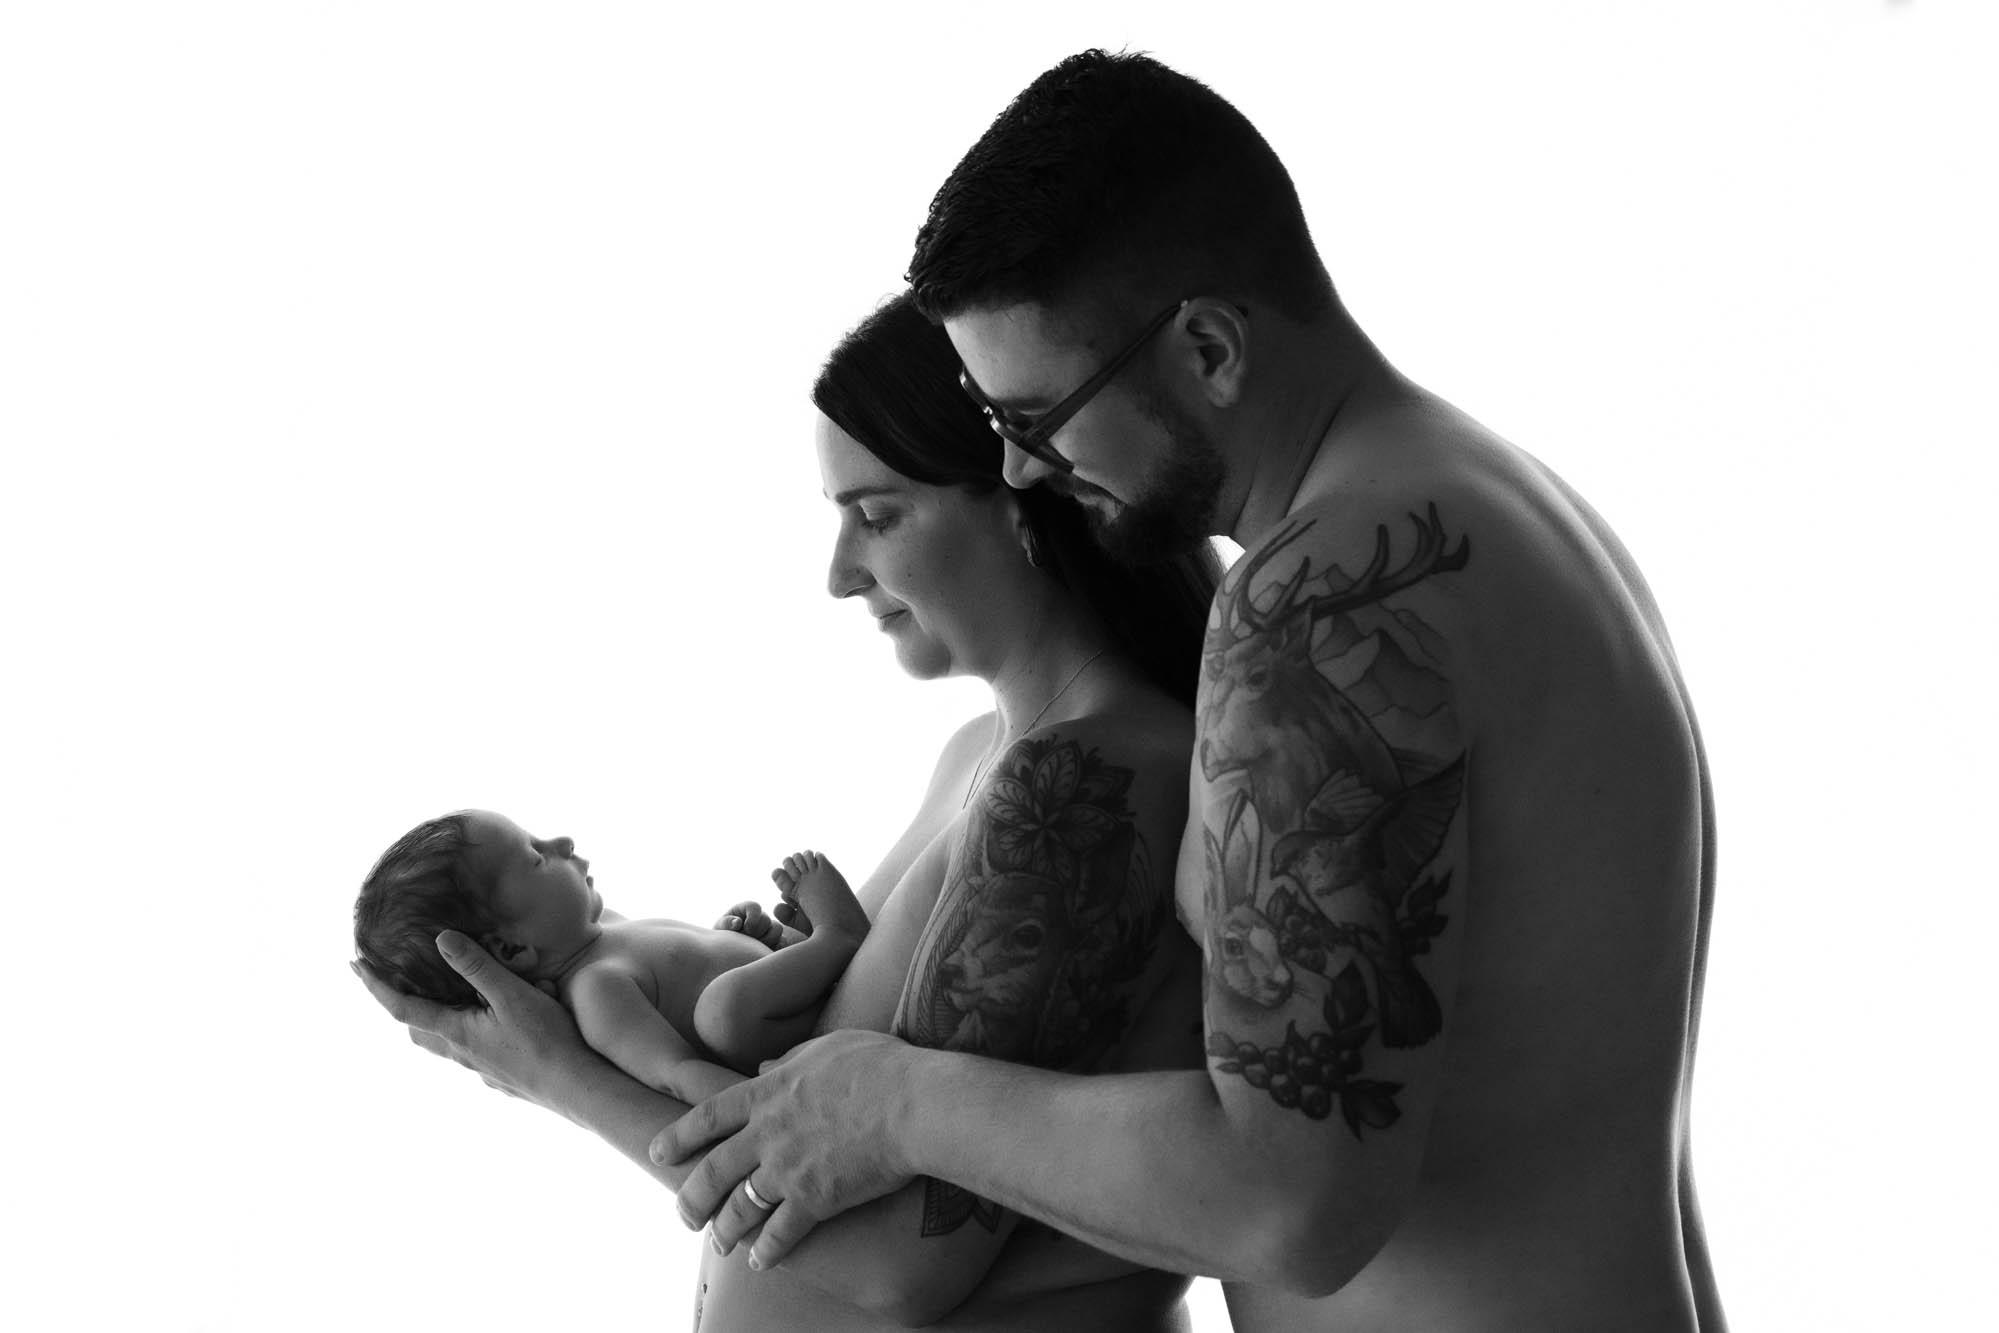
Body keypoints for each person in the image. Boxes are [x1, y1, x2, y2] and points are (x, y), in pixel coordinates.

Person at [658, 49, 1728, 1333]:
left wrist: (894, 1103)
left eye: (1036, 418)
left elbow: (1290, 1201)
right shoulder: (1488, 505)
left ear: (1208, 347)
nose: (1023, 473)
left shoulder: (1326, 593)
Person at [355, 292, 1226, 1331]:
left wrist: (562, 1075)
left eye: (878, 515)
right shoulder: (980, 754)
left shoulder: (1080, 785)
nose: (839, 573)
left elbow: (899, 1261)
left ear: (1024, 501)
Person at [354, 810, 864, 1100]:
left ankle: (808, 948)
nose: (562, 841)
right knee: (721, 1010)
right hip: (794, 1054)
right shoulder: (596, 990)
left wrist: (743, 941)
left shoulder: (606, 931)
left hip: (798, 1007)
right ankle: (837, 935)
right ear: (511, 949)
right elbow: (676, 1070)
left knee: (722, 995)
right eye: (536, 856)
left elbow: (682, 980)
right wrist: (769, 1106)